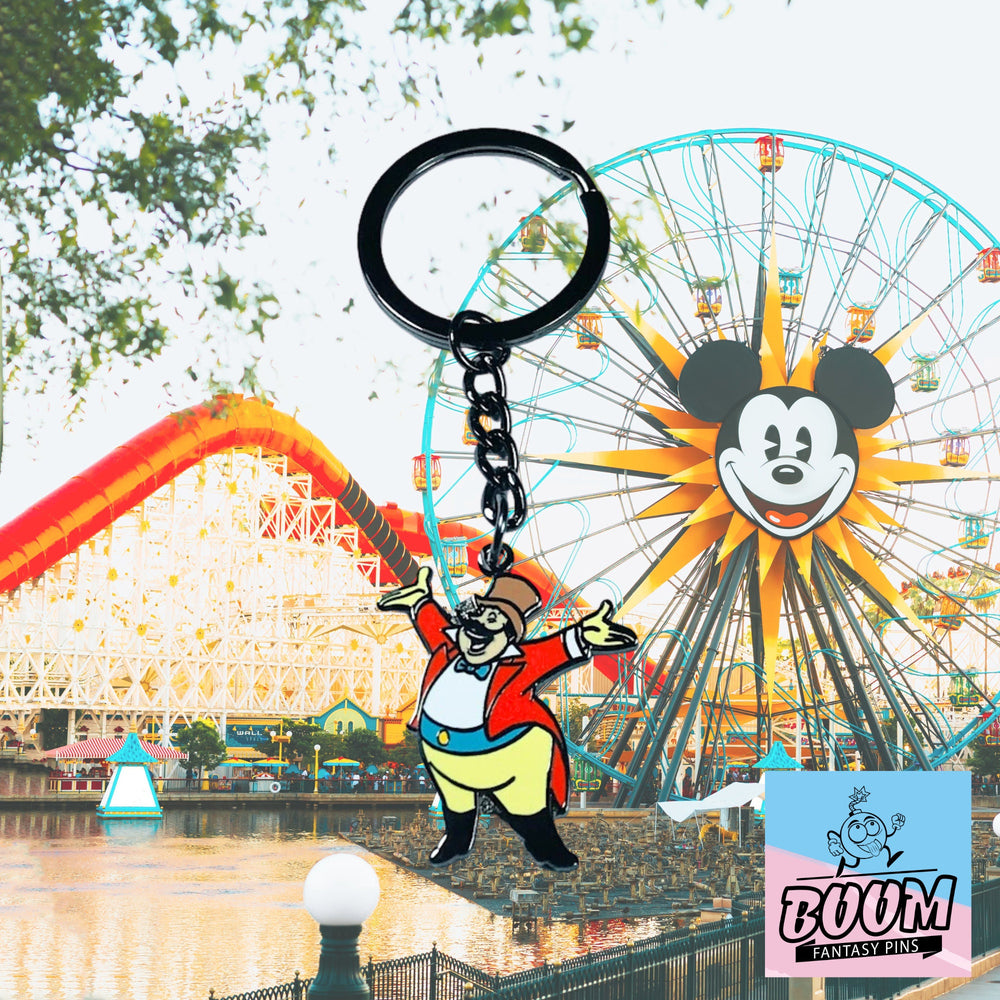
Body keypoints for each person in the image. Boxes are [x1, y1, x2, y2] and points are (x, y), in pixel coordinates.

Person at [378, 565, 636, 871]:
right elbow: (433, 624)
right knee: (455, 802)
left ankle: (546, 847)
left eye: (492, 623)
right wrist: (421, 600)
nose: (477, 630)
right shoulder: (449, 647)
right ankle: (457, 839)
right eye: (475, 621)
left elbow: (553, 651)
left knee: (524, 806)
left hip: (498, 751)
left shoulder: (519, 661)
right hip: (441, 751)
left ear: (509, 637)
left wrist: (582, 635)